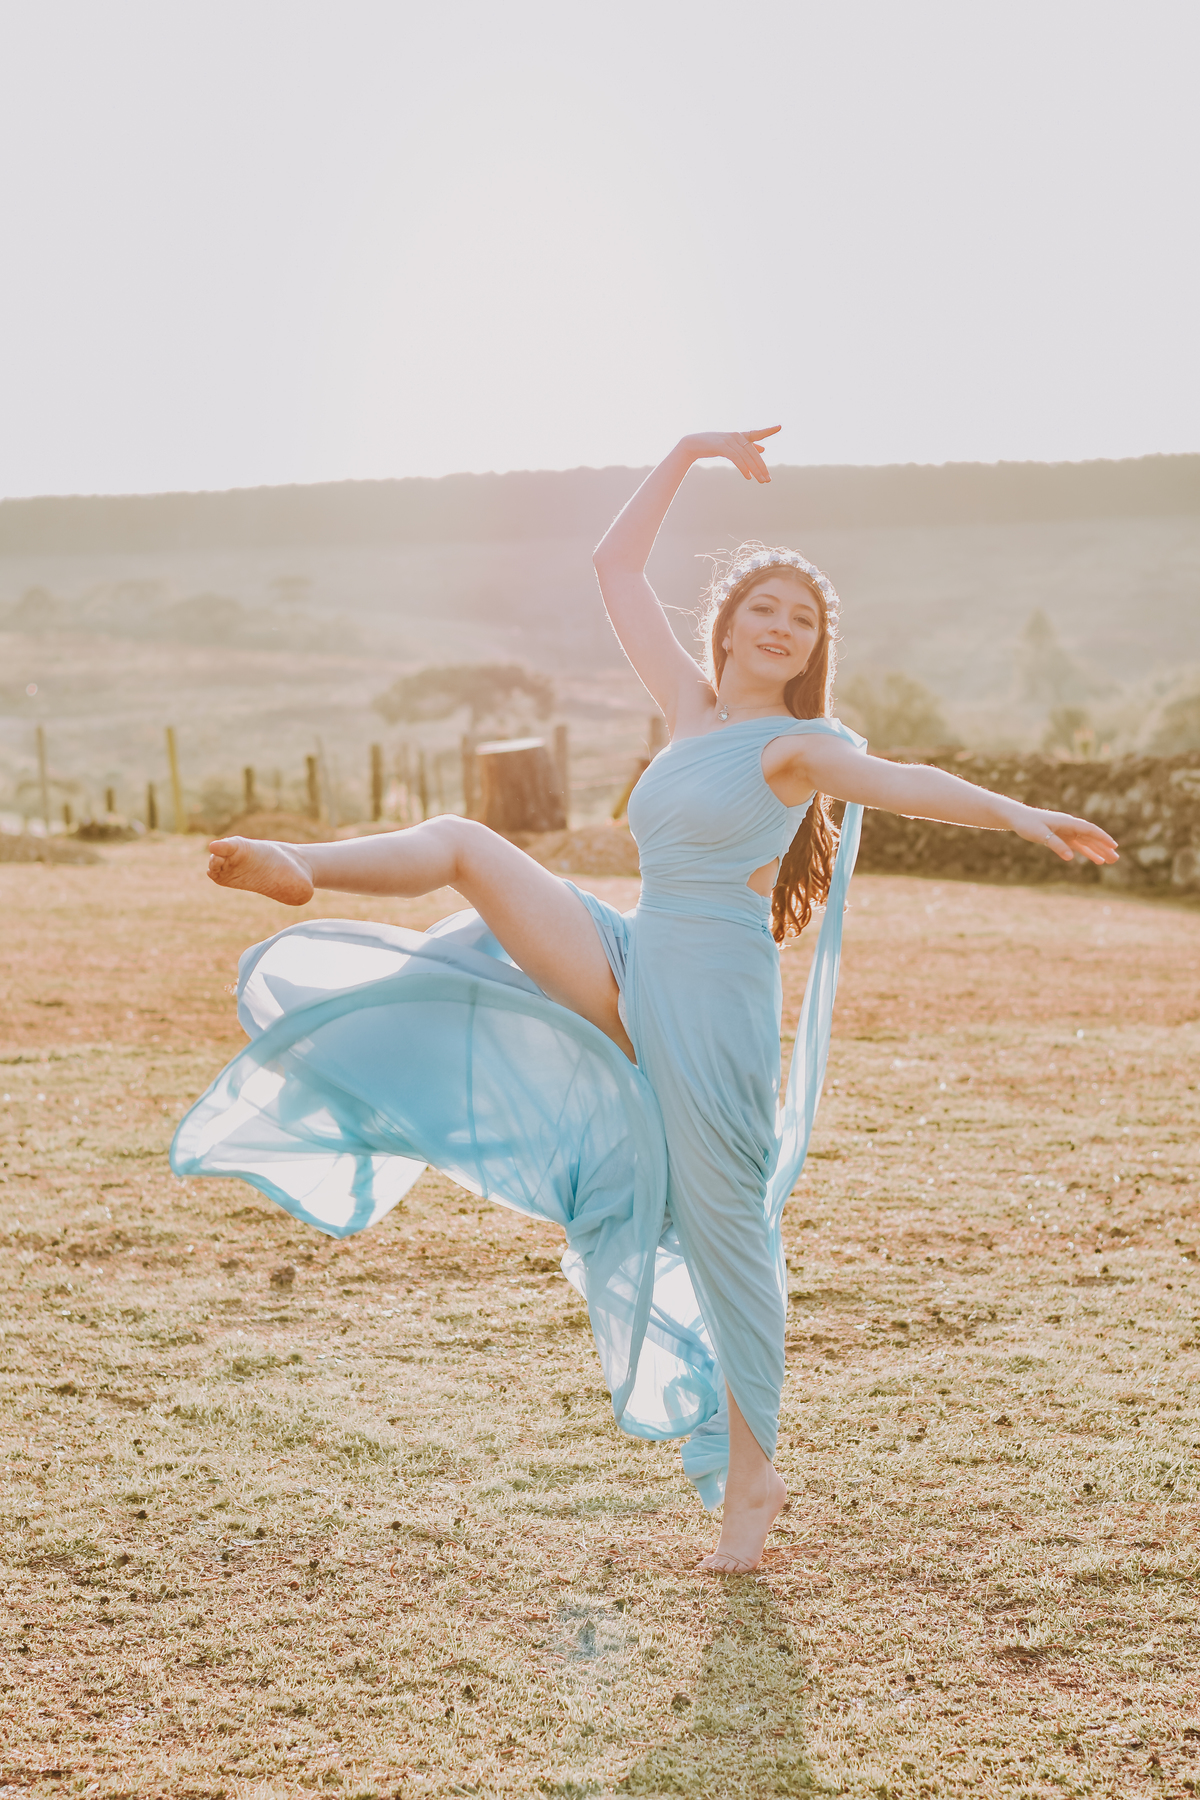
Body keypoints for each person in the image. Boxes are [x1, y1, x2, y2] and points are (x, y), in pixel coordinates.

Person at [173, 428, 1118, 1574]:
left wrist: (1017, 814)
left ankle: (753, 1479)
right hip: (634, 945)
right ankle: (300, 864)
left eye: (802, 619)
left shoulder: (797, 747)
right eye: (763, 608)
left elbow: (903, 782)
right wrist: (687, 452)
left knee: (728, 1236)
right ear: (728, 625)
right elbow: (614, 567)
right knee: (467, 843)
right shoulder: (689, 709)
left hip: (711, 1000)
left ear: (814, 651)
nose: (779, 626)